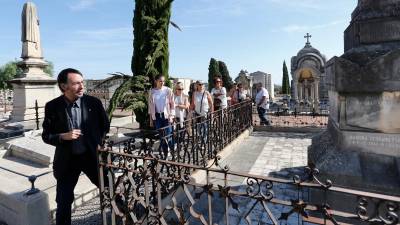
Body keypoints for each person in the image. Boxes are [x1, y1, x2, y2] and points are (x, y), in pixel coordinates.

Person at [42, 68, 110, 225]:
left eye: (82, 82)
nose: (82, 86)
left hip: (91, 158)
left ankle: (129, 214)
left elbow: (104, 126)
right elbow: (46, 136)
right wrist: (62, 136)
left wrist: (97, 143)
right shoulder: (52, 106)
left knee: (108, 188)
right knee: (63, 202)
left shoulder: (94, 103)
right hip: (67, 162)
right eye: (76, 83)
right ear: (64, 86)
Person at [148, 74, 175, 158]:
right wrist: (151, 120)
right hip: (157, 117)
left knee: (168, 134)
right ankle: (165, 152)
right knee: (161, 137)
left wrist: (172, 116)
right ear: (156, 81)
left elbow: (172, 104)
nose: (162, 83)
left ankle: (173, 151)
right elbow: (150, 106)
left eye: (163, 81)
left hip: (166, 116)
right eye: (160, 81)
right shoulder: (152, 91)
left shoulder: (168, 90)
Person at [191, 80, 213, 144]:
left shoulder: (206, 93)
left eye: (202, 84)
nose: (201, 86)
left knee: (205, 128)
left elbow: (211, 103)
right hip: (197, 114)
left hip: (205, 113)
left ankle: (204, 142)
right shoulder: (194, 93)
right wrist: (190, 112)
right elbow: (192, 104)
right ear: (197, 85)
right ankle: (202, 140)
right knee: (199, 129)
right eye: (199, 84)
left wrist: (212, 113)